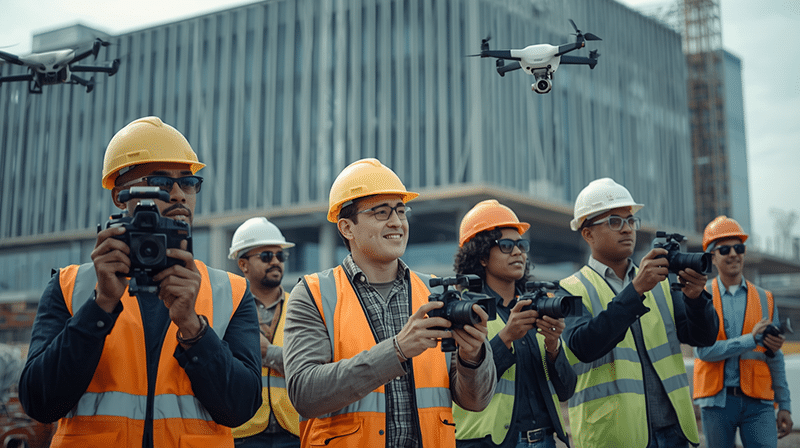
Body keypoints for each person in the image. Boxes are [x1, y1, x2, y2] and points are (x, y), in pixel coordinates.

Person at [18, 116, 262, 448]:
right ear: (120, 195)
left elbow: (241, 409)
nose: (178, 194)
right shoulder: (68, 286)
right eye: (160, 181)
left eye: (189, 182)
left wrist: (193, 327)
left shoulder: (231, 292)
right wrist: (100, 306)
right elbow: (40, 403)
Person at [282, 158, 496, 447]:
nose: (396, 222)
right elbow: (305, 395)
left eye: (400, 211)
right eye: (380, 213)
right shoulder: (312, 294)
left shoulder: (435, 293)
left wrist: (473, 358)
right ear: (347, 227)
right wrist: (397, 350)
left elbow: (476, 401)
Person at [559, 178, 719, 448]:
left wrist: (695, 299)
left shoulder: (661, 283)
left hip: (674, 430)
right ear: (587, 233)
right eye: (614, 221)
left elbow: (702, 337)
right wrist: (635, 291)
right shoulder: (571, 289)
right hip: (614, 436)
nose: (627, 229)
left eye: (630, 221)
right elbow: (584, 346)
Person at [451, 200, 576, 448]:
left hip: (545, 440)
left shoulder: (537, 307)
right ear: (482, 256)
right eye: (506, 245)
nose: (518, 252)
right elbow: (466, 384)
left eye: (522, 245)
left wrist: (553, 347)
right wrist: (506, 337)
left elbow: (566, 390)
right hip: (489, 442)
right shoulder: (464, 310)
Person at [693, 215, 793, 446]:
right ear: (712, 258)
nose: (733, 254)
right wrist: (750, 339)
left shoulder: (765, 298)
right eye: (724, 249)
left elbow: (774, 356)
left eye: (738, 247)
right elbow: (703, 352)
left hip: (759, 403)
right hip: (717, 403)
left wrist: (784, 404)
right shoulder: (701, 298)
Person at [229, 217, 301, 447]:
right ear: (243, 264)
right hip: (242, 430)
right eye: (266, 256)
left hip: (292, 429)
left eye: (280, 256)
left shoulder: (300, 308)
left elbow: (312, 366)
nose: (276, 262)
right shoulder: (227, 309)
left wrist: (267, 352)